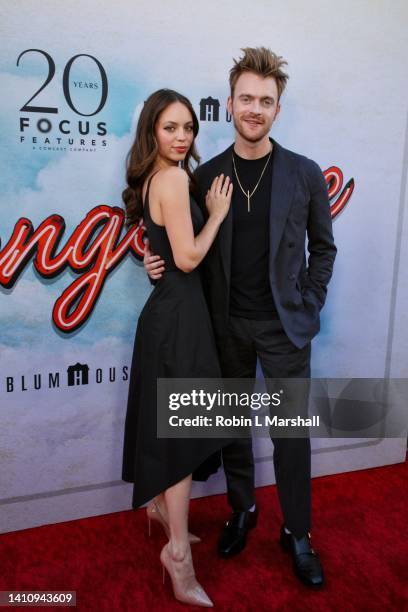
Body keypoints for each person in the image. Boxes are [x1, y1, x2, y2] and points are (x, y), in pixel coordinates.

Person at [145, 47, 337, 587]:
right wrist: (152, 257)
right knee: (232, 431)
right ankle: (243, 509)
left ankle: (298, 532)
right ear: (228, 103)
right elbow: (187, 245)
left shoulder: (304, 173)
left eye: (266, 101)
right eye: (246, 98)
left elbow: (324, 249)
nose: (255, 109)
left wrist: (310, 302)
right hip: (223, 325)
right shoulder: (202, 175)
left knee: (289, 436)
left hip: (284, 329)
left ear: (278, 108)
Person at [121, 88, 233, 607]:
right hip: (178, 322)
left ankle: (161, 513)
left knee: (177, 432)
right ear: (152, 131)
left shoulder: (154, 178)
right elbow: (187, 258)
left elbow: (165, 252)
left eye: (188, 127)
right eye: (171, 127)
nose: (182, 136)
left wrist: (154, 259)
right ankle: (177, 558)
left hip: (171, 316)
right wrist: (215, 215)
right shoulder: (171, 177)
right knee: (184, 437)